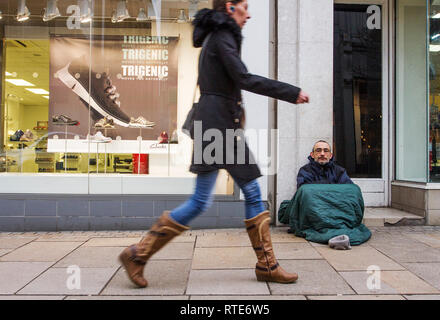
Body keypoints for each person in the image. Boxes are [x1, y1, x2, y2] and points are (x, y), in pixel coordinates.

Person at [119, 0, 310, 288]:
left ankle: (139, 254)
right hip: (219, 126)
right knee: (228, 194)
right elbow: (243, 78)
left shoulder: (216, 35)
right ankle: (266, 265)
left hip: (217, 123)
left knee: (211, 198)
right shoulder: (222, 36)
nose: (249, 12)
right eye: (244, 6)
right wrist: (290, 92)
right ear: (230, 7)